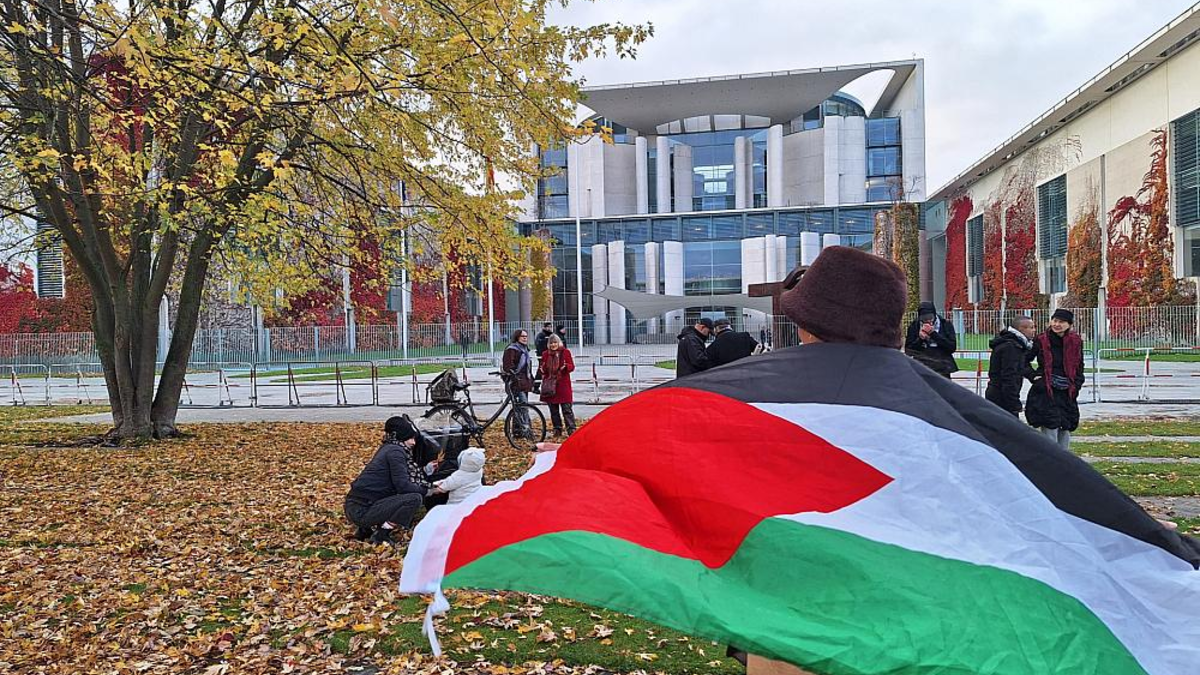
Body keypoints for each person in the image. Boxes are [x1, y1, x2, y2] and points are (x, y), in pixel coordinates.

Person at [344, 416, 434, 545]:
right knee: (414, 498)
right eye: (411, 438)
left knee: (392, 492)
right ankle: (382, 534)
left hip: (353, 505)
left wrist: (426, 470)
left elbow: (402, 476)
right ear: (402, 437)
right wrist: (429, 490)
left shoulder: (388, 448)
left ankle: (365, 529)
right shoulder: (396, 452)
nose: (414, 443)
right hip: (361, 511)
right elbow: (403, 486)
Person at [1025, 309, 1085, 449]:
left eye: (1061, 322)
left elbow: (1079, 365)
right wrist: (1034, 377)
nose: (1057, 324)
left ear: (1069, 324)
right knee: (1049, 425)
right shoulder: (1041, 340)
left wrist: (1077, 384)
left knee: (1066, 425)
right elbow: (1024, 360)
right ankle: (1051, 461)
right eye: (1055, 320)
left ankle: (1064, 461)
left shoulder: (1075, 341)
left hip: (1067, 390)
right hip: (1046, 389)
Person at [985, 316, 1037, 415]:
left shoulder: (1014, 345)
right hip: (1002, 398)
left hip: (998, 394)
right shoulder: (1011, 347)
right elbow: (1009, 377)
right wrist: (1014, 403)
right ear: (1021, 329)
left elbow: (1021, 366)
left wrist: (1032, 375)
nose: (1034, 330)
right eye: (1031, 327)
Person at [904, 301, 959, 377]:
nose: (928, 321)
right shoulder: (914, 326)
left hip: (942, 365)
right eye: (924, 318)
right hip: (922, 365)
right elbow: (908, 350)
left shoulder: (945, 324)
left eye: (930, 317)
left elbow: (952, 347)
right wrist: (920, 339)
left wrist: (933, 334)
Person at [538, 333, 576, 437]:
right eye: (551, 343)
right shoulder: (546, 354)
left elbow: (572, 366)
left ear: (559, 343)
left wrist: (566, 366)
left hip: (562, 385)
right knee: (553, 410)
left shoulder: (565, 352)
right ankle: (557, 429)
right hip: (550, 386)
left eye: (555, 342)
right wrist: (542, 369)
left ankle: (571, 429)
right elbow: (542, 369)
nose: (553, 345)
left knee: (567, 409)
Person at [501, 328, 535, 435]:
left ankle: (518, 431)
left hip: (524, 382)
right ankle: (525, 430)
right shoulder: (512, 349)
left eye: (526, 336)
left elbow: (527, 368)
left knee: (520, 407)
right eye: (522, 336)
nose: (525, 338)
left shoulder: (524, 350)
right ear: (517, 337)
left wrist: (531, 381)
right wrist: (515, 378)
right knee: (522, 407)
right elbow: (508, 367)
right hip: (516, 383)